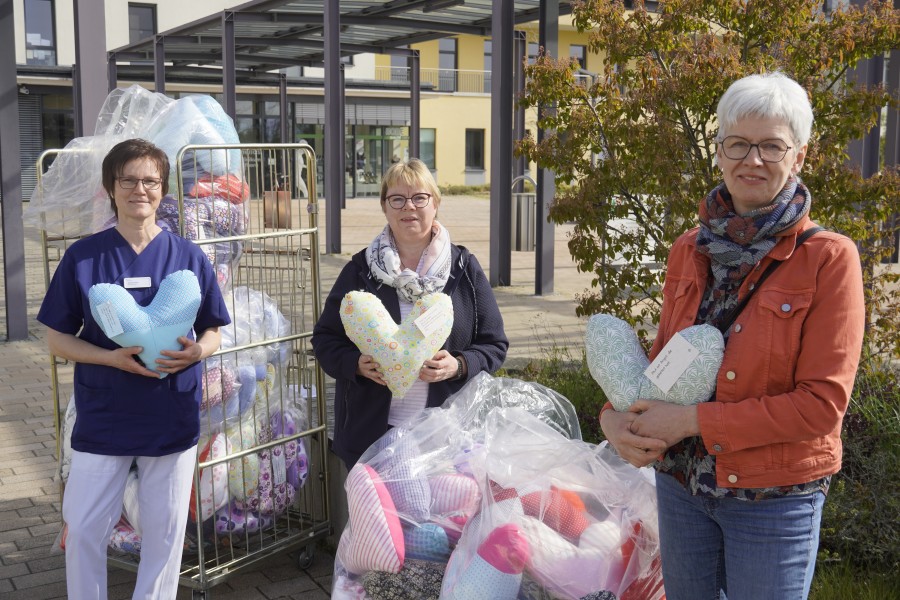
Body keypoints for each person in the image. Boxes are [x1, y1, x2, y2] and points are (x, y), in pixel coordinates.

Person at [600, 72, 865, 600]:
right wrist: (614, 420)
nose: (754, 159)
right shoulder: (688, 247)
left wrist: (690, 420)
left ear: (800, 156)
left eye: (772, 145)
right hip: (683, 488)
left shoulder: (828, 259)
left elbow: (820, 407)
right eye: (739, 144)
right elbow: (662, 366)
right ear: (719, 151)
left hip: (773, 497)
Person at [37, 139, 231, 599]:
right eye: (128, 179)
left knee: (164, 533)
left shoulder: (188, 256)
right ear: (111, 187)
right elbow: (55, 337)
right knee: (84, 526)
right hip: (106, 412)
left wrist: (196, 354)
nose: (139, 189)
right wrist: (109, 357)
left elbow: (214, 331)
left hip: (171, 413)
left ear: (163, 190)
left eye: (150, 180)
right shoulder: (84, 257)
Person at [312, 158, 508, 469]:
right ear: (385, 207)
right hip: (372, 439)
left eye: (419, 197)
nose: (409, 207)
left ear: (436, 204)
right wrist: (356, 365)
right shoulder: (361, 270)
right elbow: (325, 339)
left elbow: (494, 344)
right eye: (397, 199)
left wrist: (458, 365)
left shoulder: (463, 269)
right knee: (378, 519)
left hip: (445, 438)